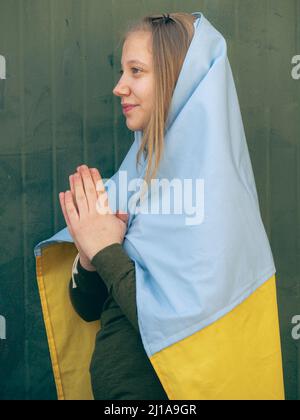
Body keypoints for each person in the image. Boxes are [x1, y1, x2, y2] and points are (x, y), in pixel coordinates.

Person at [59, 13, 197, 400]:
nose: (119, 87)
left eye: (136, 71)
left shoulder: (204, 193)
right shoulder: (134, 180)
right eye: (123, 71)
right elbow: (90, 308)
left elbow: (178, 327)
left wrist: (105, 249)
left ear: (176, 81)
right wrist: (91, 254)